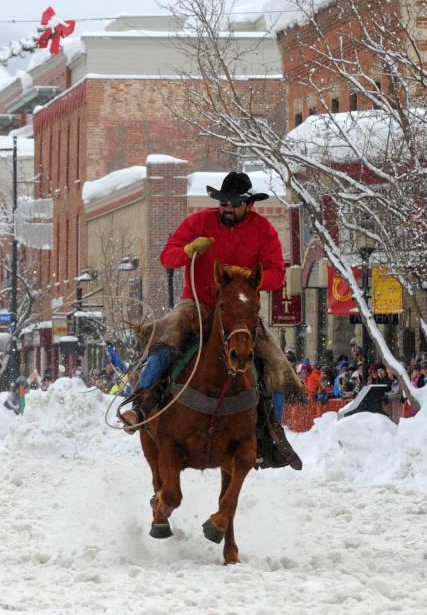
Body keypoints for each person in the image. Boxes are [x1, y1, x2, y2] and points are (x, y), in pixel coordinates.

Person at [117, 172, 302, 468]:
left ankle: (272, 435)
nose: (227, 208)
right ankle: (139, 407)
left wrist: (245, 280)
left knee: (275, 365)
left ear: (248, 204)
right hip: (198, 305)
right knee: (164, 346)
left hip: (239, 310)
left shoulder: (264, 230)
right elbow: (167, 257)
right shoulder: (199, 222)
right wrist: (188, 251)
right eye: (224, 202)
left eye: (235, 203)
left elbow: (277, 274)